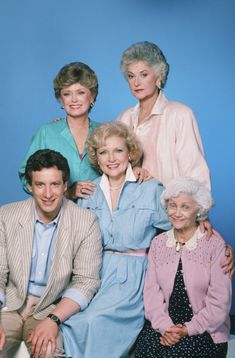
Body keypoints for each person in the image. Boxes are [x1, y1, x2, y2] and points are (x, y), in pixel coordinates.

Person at [61, 122, 171, 358]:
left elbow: (179, 227)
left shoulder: (151, 188)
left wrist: (206, 229)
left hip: (132, 277)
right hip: (94, 273)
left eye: (118, 151)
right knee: (67, 323)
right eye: (103, 152)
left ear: (130, 153)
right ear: (96, 158)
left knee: (92, 321)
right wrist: (68, 192)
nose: (111, 158)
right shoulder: (89, 193)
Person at [0, 149, 102, 358]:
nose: (48, 194)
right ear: (30, 186)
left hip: (49, 308)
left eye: (55, 184)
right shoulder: (6, 215)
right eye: (40, 185)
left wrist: (54, 319)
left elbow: (86, 281)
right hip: (9, 305)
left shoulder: (86, 221)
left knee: (49, 352)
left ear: (65, 186)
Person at [135, 177, 231, 358]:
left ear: (199, 210)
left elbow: (220, 302)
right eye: (173, 206)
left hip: (204, 331)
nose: (177, 213)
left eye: (185, 207)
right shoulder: (158, 243)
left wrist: (188, 329)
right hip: (165, 328)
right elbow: (151, 294)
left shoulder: (215, 245)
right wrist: (165, 327)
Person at [117, 41, 211, 190]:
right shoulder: (124, 118)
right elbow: (116, 168)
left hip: (170, 207)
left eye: (144, 75)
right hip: (131, 208)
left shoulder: (180, 114)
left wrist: (193, 209)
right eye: (131, 76)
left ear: (159, 76)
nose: (136, 82)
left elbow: (195, 171)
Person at [18, 61, 100, 200]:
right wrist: (64, 193)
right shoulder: (46, 133)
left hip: (99, 214)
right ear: (60, 99)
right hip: (57, 216)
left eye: (80, 92)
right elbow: (26, 176)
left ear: (92, 96)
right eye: (67, 94)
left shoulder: (104, 132)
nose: (74, 99)